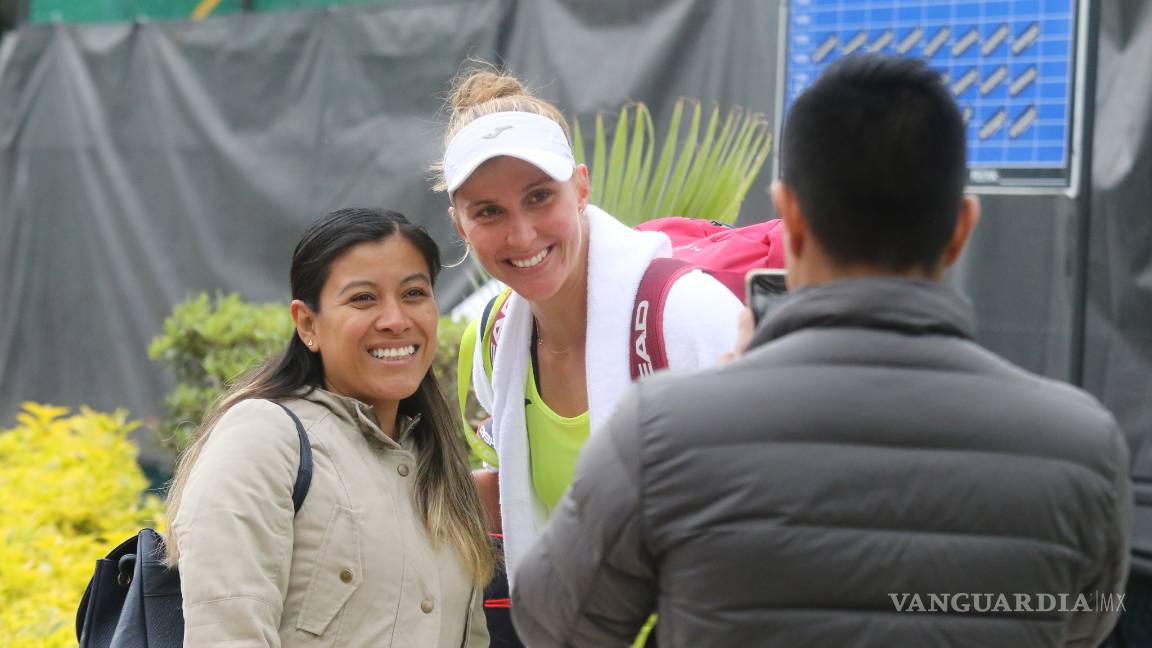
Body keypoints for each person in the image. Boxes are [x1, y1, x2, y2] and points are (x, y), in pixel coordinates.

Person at [512, 55, 1132, 647]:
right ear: (961, 227)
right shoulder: (1081, 448)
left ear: (791, 216)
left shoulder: (664, 431)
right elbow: (1081, 625)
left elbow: (555, 625)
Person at [432, 68, 742, 643]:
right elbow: (524, 497)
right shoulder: (492, 339)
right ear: (461, 225)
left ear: (581, 188)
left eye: (539, 197)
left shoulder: (687, 314)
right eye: (488, 212)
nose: (521, 235)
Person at [165, 208, 492, 646]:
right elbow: (226, 635)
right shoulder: (263, 438)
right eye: (363, 298)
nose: (396, 319)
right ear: (307, 324)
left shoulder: (438, 467)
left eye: (414, 293)